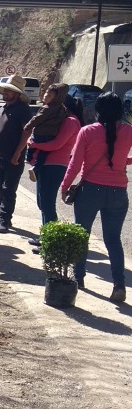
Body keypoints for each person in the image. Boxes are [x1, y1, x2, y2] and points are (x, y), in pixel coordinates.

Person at [61, 92, 132, 303]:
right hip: (118, 191)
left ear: (98, 110)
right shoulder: (129, 131)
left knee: (82, 235)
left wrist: (65, 187)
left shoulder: (87, 131)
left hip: (90, 190)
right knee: (113, 240)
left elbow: (75, 164)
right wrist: (122, 162)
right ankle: (119, 284)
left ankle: (79, 278)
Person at [24, 94, 82, 252]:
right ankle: (46, 237)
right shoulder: (61, 119)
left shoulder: (71, 121)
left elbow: (57, 144)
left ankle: (51, 244)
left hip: (55, 166)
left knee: (47, 204)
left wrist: (33, 143)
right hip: (46, 164)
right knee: (42, 202)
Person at [0, 74, 34, 234]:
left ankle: (5, 219)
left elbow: (27, 133)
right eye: (5, 90)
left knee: (8, 189)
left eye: (9, 91)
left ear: (17, 94)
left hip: (14, 158)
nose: (5, 93)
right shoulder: (3, 108)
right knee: (0, 188)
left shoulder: (23, 110)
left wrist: (18, 153)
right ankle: (1, 216)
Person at [11, 82, 69, 179]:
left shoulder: (47, 108)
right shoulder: (62, 109)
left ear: (56, 98)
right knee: (43, 154)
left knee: (31, 143)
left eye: (49, 95)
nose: (46, 96)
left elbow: (37, 118)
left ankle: (28, 158)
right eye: (46, 93)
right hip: (51, 135)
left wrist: (28, 126)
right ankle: (35, 167)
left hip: (40, 133)